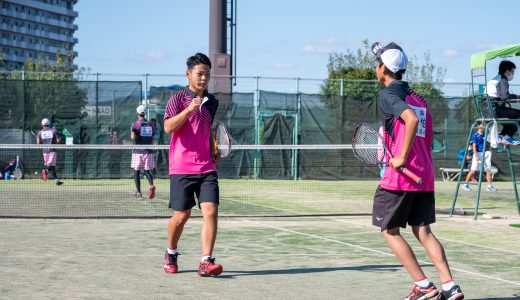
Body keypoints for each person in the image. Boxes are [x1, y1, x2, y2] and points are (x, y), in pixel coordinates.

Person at [371, 42, 463, 300]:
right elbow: (429, 135)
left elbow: (409, 120)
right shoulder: (418, 98)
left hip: (400, 178)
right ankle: (449, 285)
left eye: (377, 64)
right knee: (423, 231)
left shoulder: (389, 95)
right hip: (424, 175)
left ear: (383, 69)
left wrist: (400, 156)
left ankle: (422, 284)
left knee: (389, 231)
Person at [163, 53, 222, 277]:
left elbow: (206, 131)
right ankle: (171, 252)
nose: (204, 78)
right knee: (182, 215)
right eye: (199, 74)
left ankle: (206, 261)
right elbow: (168, 128)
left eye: (207, 74)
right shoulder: (177, 99)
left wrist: (214, 149)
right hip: (181, 166)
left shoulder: (212, 102)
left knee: (211, 210)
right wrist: (188, 109)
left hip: (206, 166)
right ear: (188, 74)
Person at [486, 60, 520, 145]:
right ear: (507, 71)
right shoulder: (502, 80)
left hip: (487, 109)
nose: (513, 74)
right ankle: (508, 137)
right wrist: (517, 97)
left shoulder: (495, 78)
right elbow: (505, 96)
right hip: (495, 110)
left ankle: (502, 136)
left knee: (512, 117)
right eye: (513, 71)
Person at [130, 105, 156, 199]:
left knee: (136, 172)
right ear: (145, 113)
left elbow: (132, 137)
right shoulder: (151, 124)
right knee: (147, 171)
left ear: (137, 113)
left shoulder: (135, 124)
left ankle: (138, 193)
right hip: (149, 151)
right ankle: (151, 185)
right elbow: (152, 140)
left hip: (138, 151)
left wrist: (135, 134)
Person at [461, 123, 496, 192]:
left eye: (484, 125)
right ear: (478, 126)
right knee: (473, 170)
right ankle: (465, 185)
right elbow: (473, 146)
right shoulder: (475, 135)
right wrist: (476, 155)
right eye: (482, 125)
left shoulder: (485, 134)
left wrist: (490, 150)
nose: (483, 126)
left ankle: (489, 186)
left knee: (488, 170)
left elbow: (489, 142)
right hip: (478, 153)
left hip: (486, 153)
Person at [37, 118, 63, 185]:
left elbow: (38, 143)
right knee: (51, 165)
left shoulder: (39, 132)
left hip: (44, 151)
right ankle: (46, 171)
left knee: (51, 166)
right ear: (49, 124)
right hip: (52, 150)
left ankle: (56, 180)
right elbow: (58, 141)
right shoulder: (53, 131)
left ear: (42, 124)